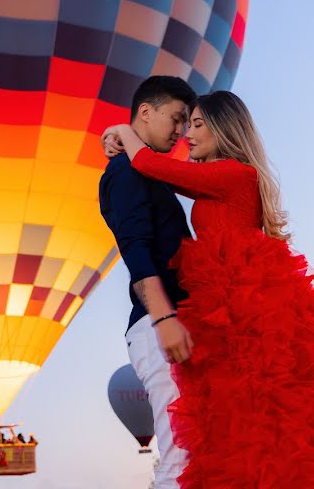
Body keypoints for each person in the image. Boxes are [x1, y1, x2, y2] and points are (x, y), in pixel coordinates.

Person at [101, 91, 314, 487]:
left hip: (250, 303)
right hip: (232, 305)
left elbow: (147, 164)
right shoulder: (217, 177)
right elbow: (155, 174)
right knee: (258, 418)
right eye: (183, 122)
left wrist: (121, 129)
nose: (185, 135)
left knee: (274, 412)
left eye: (195, 124)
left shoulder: (235, 174)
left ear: (224, 129)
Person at [98, 76, 196, 487]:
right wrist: (163, 318)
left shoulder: (145, 170)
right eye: (176, 118)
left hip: (175, 319)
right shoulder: (124, 172)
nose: (181, 131)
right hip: (160, 323)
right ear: (145, 111)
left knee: (195, 446)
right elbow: (136, 249)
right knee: (180, 450)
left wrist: (119, 132)